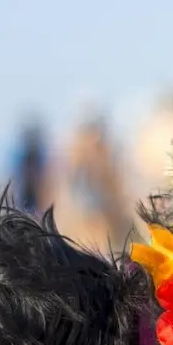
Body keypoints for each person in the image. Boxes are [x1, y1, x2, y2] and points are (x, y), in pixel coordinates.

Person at [48, 107, 136, 254]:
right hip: (84, 223)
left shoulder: (104, 155)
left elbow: (116, 192)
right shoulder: (76, 156)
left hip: (102, 222)